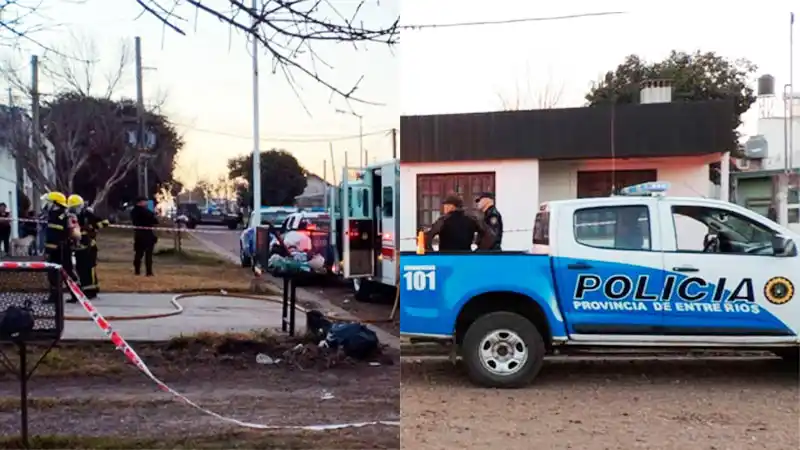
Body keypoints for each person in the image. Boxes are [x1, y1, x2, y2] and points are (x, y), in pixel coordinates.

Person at [424, 195, 494, 252]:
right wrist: (479, 251)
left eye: (445, 205)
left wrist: (432, 253)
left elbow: (427, 236)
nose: (444, 208)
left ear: (451, 206)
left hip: (446, 258)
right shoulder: (472, 219)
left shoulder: (443, 220)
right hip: (465, 257)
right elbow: (490, 235)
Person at [43, 191, 77, 303]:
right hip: (64, 247)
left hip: (57, 249)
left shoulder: (55, 216)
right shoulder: (64, 214)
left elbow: (53, 234)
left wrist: (48, 250)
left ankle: (56, 296)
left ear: (55, 203)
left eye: (49, 202)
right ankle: (75, 293)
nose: (47, 204)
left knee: (55, 273)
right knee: (67, 272)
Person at [130, 196, 158, 276]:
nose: (146, 203)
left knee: (138, 253)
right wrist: (153, 213)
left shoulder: (133, 211)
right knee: (148, 254)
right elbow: (154, 220)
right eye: (145, 201)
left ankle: (137, 271)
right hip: (147, 234)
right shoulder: (145, 211)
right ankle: (149, 272)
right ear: (140, 202)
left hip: (138, 233)